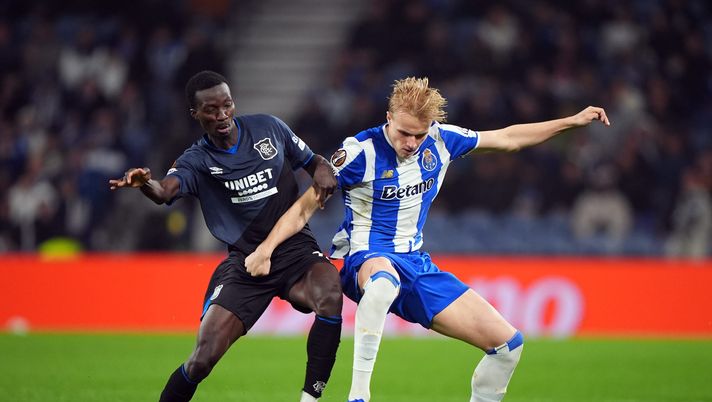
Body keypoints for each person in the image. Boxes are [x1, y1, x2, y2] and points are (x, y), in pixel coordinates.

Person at [246, 77, 610, 402]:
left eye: (419, 134)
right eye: (404, 133)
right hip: (362, 259)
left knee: (508, 345)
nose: (411, 142)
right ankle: (359, 395)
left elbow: (509, 139)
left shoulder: (441, 141)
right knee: (384, 285)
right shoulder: (359, 152)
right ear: (389, 117)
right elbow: (304, 208)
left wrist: (572, 122)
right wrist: (265, 250)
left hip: (417, 265)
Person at [109, 70, 343, 402]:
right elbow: (164, 192)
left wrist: (323, 169)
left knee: (331, 296)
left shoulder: (269, 128)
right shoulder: (197, 160)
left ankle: (310, 399)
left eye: (226, 105)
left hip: (297, 251)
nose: (221, 115)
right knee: (202, 360)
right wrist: (145, 183)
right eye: (211, 109)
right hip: (245, 265)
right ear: (196, 114)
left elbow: (313, 160)